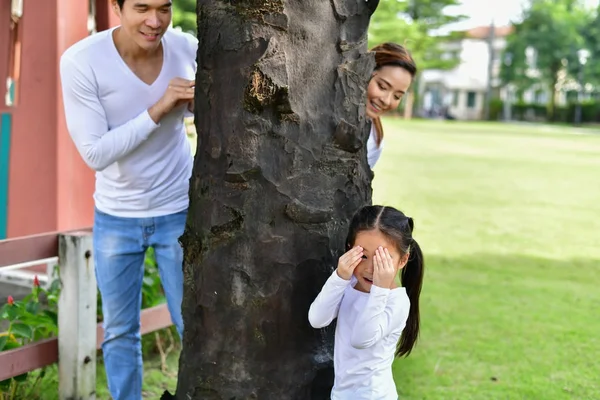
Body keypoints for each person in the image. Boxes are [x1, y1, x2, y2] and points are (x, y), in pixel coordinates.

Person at [59, 0, 197, 398]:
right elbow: (95, 153)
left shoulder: (188, 49)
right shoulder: (82, 61)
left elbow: (217, 111)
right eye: (142, 8)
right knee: (121, 333)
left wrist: (196, 107)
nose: (155, 22)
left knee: (193, 323)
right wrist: (159, 107)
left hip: (178, 211)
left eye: (165, 8)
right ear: (117, 7)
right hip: (116, 216)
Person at [308, 205, 424, 399]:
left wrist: (379, 289)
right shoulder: (349, 283)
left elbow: (361, 339)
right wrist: (340, 276)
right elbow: (317, 319)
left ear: (403, 260)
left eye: (382, 259)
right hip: (342, 394)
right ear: (349, 249)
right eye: (363, 255)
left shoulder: (397, 301)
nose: (370, 268)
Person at [365, 43, 417, 169]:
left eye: (397, 96)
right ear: (363, 71)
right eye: (382, 87)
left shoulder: (374, 141)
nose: (386, 101)